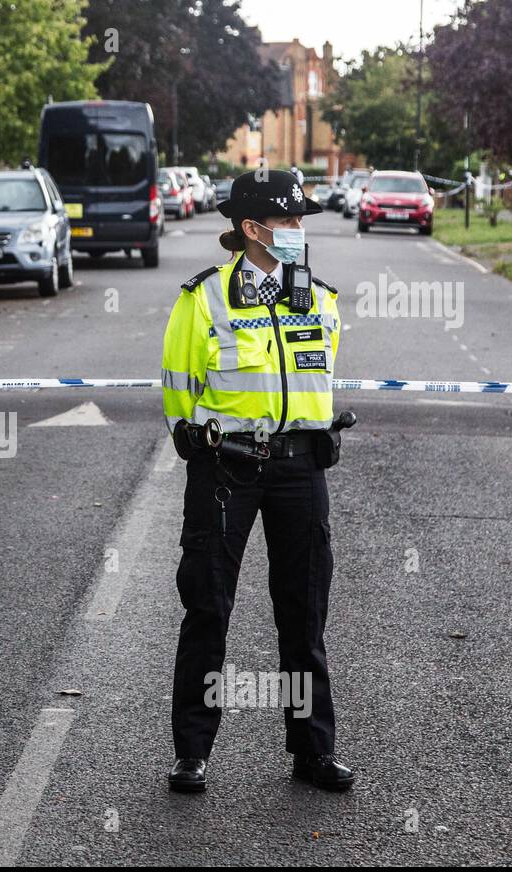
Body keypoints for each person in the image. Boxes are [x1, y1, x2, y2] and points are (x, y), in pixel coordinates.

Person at [160, 168, 355, 794]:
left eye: (300, 221)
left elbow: (318, 382)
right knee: (208, 608)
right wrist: (197, 443)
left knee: (304, 613)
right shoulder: (202, 298)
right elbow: (179, 388)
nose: (299, 232)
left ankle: (313, 752)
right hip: (227, 470)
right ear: (252, 228)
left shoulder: (319, 297)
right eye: (290, 221)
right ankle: (192, 753)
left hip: (301, 469)